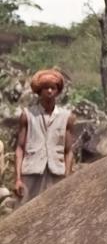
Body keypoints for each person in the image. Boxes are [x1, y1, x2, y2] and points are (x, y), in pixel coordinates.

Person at [13, 69, 76, 205]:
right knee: (25, 214)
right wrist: (18, 179)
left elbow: (68, 150)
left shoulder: (67, 117)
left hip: (56, 174)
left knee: (55, 213)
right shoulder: (28, 115)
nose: (49, 91)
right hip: (31, 173)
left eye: (52, 88)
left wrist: (68, 175)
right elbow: (20, 148)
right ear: (39, 91)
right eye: (45, 88)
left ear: (57, 91)